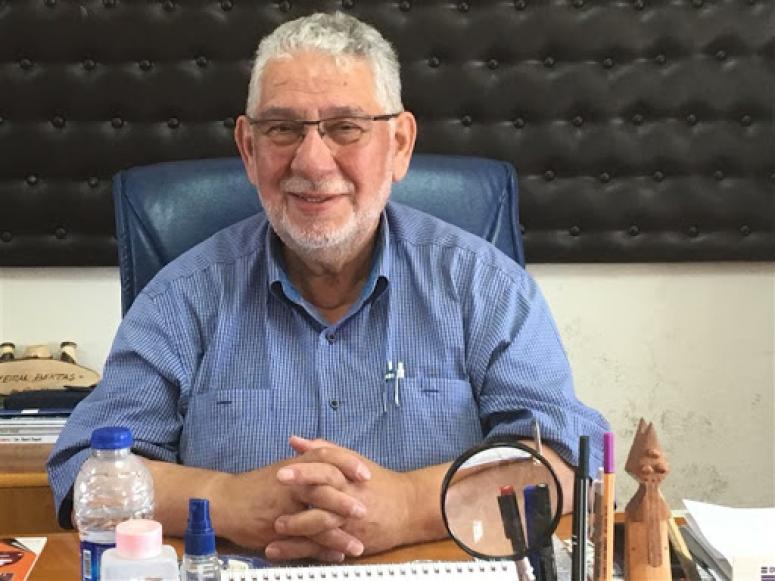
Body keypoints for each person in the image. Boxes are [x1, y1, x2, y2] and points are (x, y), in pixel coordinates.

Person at [48, 12, 609, 562]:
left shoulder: (486, 288)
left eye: (345, 127)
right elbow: (85, 473)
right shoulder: (182, 297)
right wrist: (226, 500)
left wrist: (411, 505)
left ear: (399, 145)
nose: (313, 162)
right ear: (248, 149)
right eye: (282, 129)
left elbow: (566, 463)